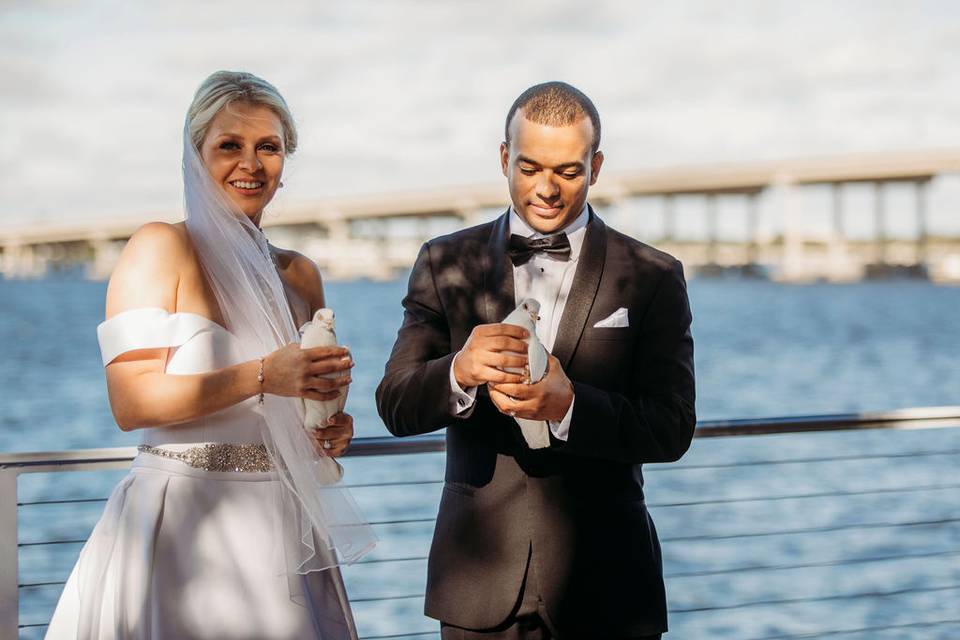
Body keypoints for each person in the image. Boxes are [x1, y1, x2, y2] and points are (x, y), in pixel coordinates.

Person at [46, 71, 375, 640]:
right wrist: (266, 375)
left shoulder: (301, 273)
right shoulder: (160, 247)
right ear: (196, 155)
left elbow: (297, 414)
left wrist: (330, 429)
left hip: (282, 529)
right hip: (180, 526)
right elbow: (130, 402)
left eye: (267, 147)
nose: (250, 164)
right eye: (230, 146)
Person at [376, 81, 695, 639]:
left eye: (568, 171)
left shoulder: (654, 275)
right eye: (529, 168)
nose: (547, 188)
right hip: (478, 587)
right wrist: (460, 370)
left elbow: (671, 428)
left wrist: (571, 407)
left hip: (610, 588)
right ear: (504, 158)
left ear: (595, 168)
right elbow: (395, 405)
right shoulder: (443, 260)